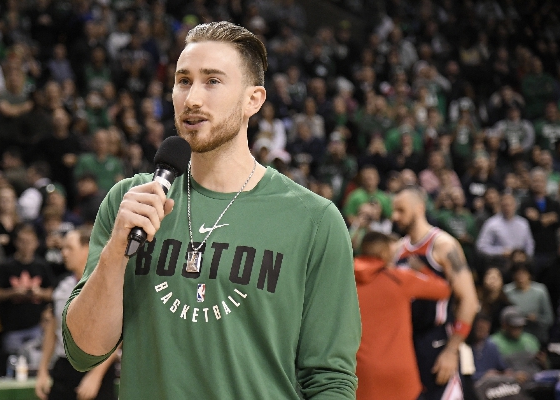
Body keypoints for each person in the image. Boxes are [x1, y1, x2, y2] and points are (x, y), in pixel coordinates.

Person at [63, 21, 360, 399]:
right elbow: (84, 352)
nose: (192, 99)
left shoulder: (314, 220)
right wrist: (115, 252)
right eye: (183, 81)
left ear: (254, 100)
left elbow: (331, 380)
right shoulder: (131, 201)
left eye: (212, 81)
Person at [392, 186, 479, 400]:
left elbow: (469, 301)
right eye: (394, 211)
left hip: (437, 340)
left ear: (419, 208)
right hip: (405, 343)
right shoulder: (396, 250)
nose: (395, 217)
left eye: (401, 210)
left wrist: (452, 350)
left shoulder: (444, 245)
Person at [354, 231, 451, 400]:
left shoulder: (345, 280)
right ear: (385, 253)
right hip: (400, 375)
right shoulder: (399, 279)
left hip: (360, 374)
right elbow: (443, 289)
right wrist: (422, 269)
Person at [35, 227, 117, 400]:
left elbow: (116, 335)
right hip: (63, 366)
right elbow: (52, 328)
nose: (63, 253)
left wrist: (95, 376)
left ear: (87, 249)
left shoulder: (107, 283)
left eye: (69, 248)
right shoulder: (61, 285)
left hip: (94, 364)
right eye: (62, 248)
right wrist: (42, 370)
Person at [0, 223, 55, 355]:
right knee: (13, 362)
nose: (26, 246)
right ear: (16, 243)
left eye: (29, 242)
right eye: (22, 241)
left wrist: (40, 292)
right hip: (12, 327)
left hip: (36, 326)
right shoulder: (6, 266)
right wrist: (12, 292)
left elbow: (53, 293)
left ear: (36, 243)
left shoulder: (42, 266)